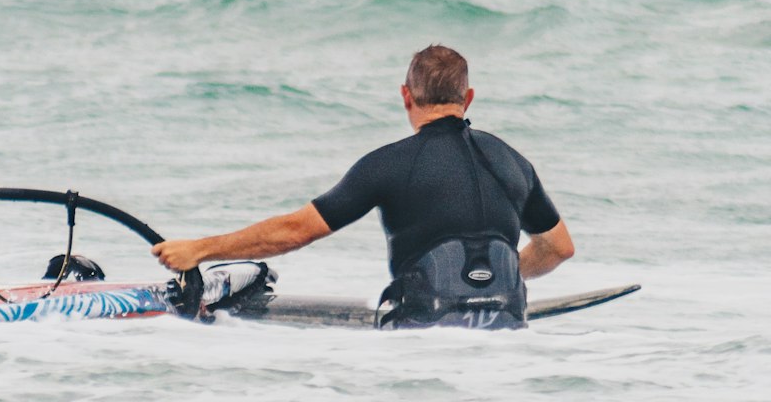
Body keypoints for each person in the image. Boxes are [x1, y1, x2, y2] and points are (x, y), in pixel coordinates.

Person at [153, 44, 574, 328]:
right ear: (469, 98)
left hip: (423, 337)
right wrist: (487, 283)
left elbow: (297, 230)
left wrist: (200, 249)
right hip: (506, 328)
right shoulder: (512, 160)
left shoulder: (388, 164)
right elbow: (558, 248)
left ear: (406, 96)